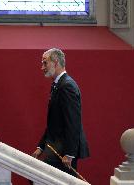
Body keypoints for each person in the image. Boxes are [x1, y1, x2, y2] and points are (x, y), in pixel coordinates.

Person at [32, 48, 89, 178]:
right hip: (56, 148)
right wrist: (41, 147)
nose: (42, 67)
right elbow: (54, 123)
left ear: (56, 62)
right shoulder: (57, 85)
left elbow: (73, 122)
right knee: (35, 177)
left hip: (63, 151)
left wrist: (69, 154)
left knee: (36, 178)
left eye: (45, 63)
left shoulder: (67, 86)